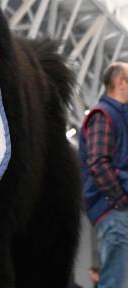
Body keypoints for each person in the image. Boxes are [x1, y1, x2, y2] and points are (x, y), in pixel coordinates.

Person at [80, 62, 128, 288]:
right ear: (121, 82)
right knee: (114, 283)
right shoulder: (104, 115)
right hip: (114, 211)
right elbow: (98, 162)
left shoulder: (118, 117)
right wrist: (121, 201)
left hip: (116, 211)